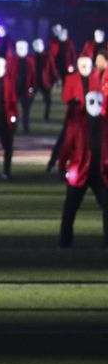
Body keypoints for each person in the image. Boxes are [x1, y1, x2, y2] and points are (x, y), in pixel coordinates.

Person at [56, 90, 108, 248]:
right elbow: (66, 148)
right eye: (92, 102)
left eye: (99, 102)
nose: (96, 106)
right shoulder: (76, 124)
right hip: (79, 172)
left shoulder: (106, 123)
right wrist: (61, 166)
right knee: (70, 209)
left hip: (101, 172)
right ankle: (65, 242)